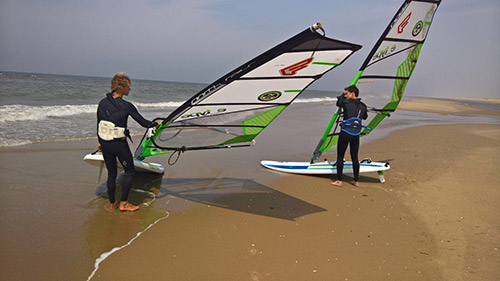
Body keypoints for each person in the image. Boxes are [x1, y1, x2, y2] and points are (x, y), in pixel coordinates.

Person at [97, 72, 158, 211]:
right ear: (121, 87)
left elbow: (99, 123)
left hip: (105, 143)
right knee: (129, 171)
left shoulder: (103, 102)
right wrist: (157, 124)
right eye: (128, 86)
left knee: (111, 173)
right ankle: (124, 203)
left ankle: (112, 204)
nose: (130, 89)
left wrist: (100, 142)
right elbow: (144, 123)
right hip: (118, 143)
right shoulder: (126, 105)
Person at [331, 85, 368, 187]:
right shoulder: (363, 106)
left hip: (345, 134)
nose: (345, 95)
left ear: (352, 93)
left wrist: (342, 96)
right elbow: (364, 117)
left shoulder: (346, 103)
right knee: (354, 157)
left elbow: (338, 103)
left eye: (346, 93)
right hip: (355, 135)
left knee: (340, 156)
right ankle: (356, 181)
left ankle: (339, 181)